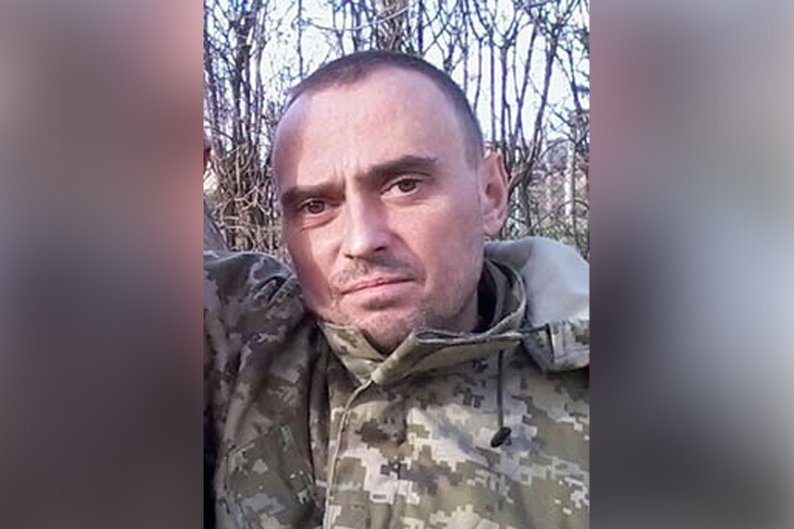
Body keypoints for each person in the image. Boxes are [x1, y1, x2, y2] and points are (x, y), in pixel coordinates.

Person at [205, 50, 589, 529]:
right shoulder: (242, 343)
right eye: (316, 206)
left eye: (405, 186)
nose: (361, 241)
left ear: (490, 193)